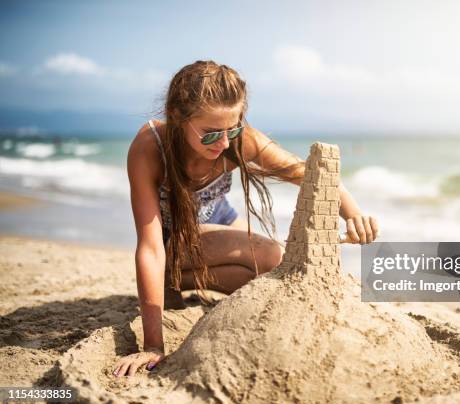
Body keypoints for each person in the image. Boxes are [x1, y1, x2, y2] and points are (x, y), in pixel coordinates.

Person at [113, 60, 379, 377]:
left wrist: (353, 213)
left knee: (275, 277)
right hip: (173, 240)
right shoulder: (149, 148)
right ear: (178, 118)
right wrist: (153, 345)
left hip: (217, 221)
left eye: (233, 128)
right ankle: (170, 277)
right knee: (270, 253)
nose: (225, 143)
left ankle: (176, 281)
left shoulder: (238, 139)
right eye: (211, 134)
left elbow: (309, 172)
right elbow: (150, 247)